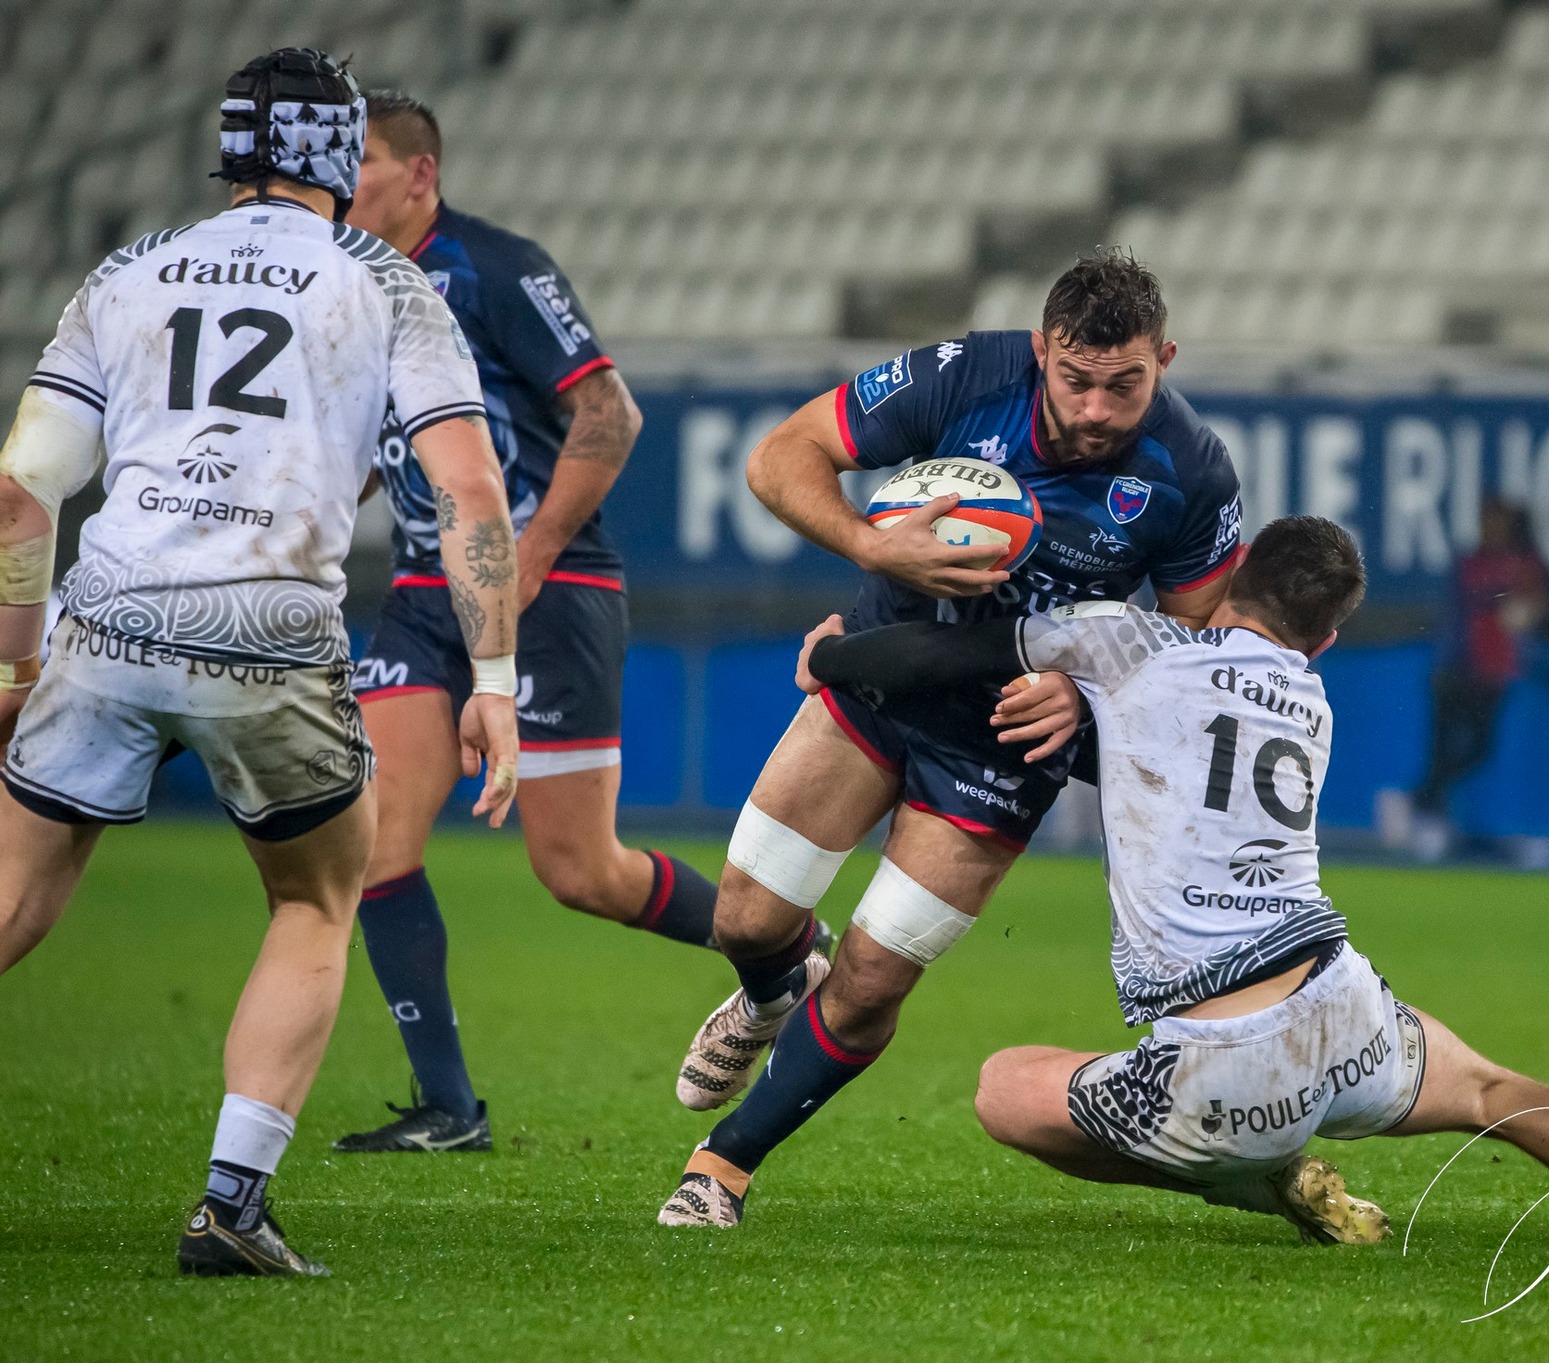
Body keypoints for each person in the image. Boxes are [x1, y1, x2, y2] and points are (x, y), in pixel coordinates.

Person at [792, 516, 1549, 1253]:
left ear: (1229, 575)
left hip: (1218, 1053)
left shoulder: (1126, 642)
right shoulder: (1309, 704)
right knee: (1504, 1093)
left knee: (1002, 1088)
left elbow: (947, 651)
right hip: (1340, 1003)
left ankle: (1244, 1173)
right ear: (1323, 639)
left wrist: (834, 658)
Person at [0, 50, 518, 1275]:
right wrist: (491, 684)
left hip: (111, 610)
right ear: (342, 156)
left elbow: (22, 495)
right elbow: (471, 495)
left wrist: (13, 674)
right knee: (312, 898)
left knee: (15, 891)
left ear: (230, 150)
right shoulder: (386, 283)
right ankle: (231, 1206)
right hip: (270, 629)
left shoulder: (126, 271)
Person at [659, 251, 1245, 1228]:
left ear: (1164, 359)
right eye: (1075, 379)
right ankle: (773, 984)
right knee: (748, 921)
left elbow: (1192, 647)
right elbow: (779, 456)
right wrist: (868, 543)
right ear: (1040, 352)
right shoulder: (963, 376)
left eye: (1125, 384)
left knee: (875, 977)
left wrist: (1087, 699)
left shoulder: (1190, 471)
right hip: (883, 677)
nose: (1098, 408)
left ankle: (721, 1165)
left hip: (1004, 745)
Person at [332, 91, 730, 1153]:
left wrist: (529, 557)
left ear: (421, 175)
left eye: (361, 158)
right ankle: (450, 1106)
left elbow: (610, 413)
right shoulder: (344, 281)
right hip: (423, 589)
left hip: (550, 585)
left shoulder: (495, 267)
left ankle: (782, 950)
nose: (341, 175)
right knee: (372, 840)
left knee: (577, 871)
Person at [1391, 497, 1549, 862]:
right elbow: (1463, 615)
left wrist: (1528, 609)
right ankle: (1427, 819)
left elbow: (1536, 601)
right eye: (1484, 520)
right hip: (1456, 671)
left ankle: (1416, 804)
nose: (1488, 528)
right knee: (1440, 752)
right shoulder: (1472, 563)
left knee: (1478, 750)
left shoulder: (1522, 562)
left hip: (1491, 676)